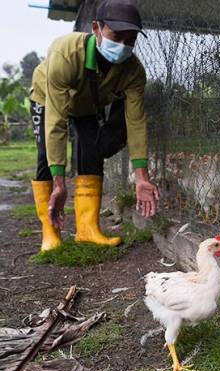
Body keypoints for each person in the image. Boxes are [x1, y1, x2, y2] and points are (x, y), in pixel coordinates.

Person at [29, 0, 160, 252]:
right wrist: (60, 184)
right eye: (116, 35)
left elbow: (135, 122)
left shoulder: (133, 71)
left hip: (86, 104)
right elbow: (55, 122)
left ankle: (87, 230)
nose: (123, 45)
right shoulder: (64, 53)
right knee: (47, 156)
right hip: (48, 98)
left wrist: (142, 177)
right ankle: (50, 232)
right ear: (96, 28)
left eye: (130, 39)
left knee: (91, 153)